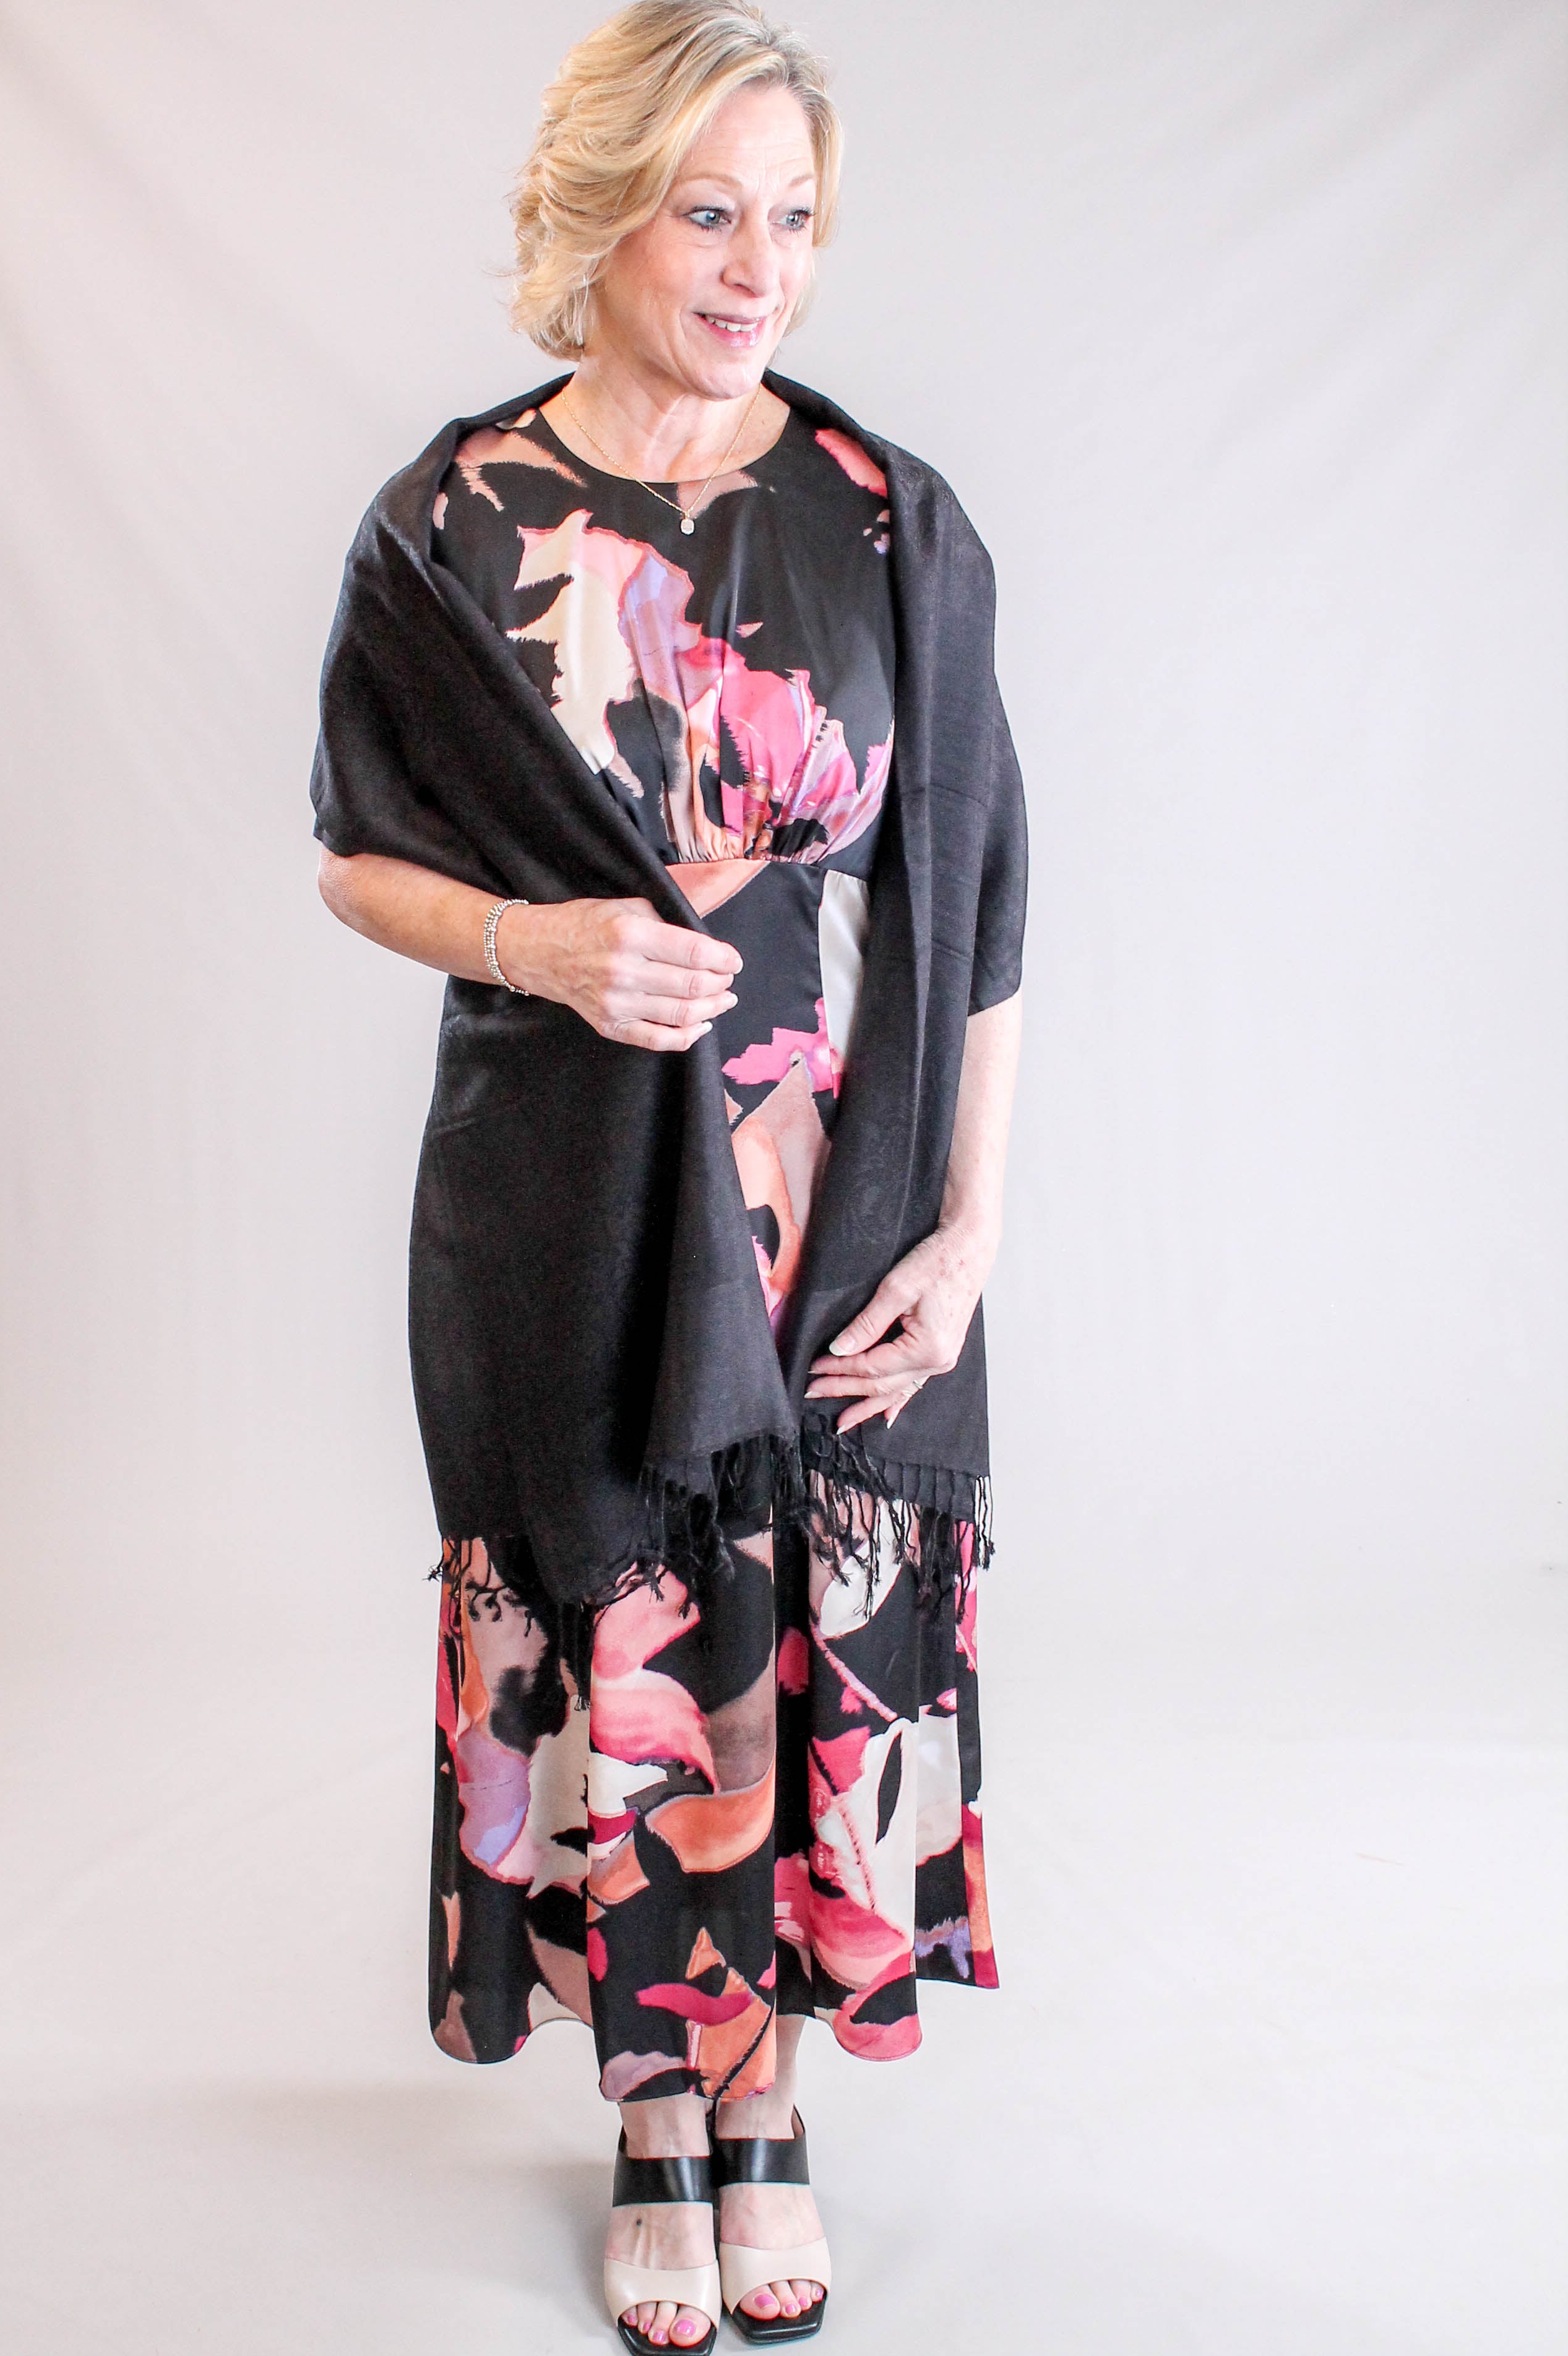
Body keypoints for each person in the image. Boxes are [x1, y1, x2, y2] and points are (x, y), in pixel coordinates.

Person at [310, 4, 1027, 2347]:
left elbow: (981, 898)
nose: (758, 269)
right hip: (567, 1206)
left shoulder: (888, 516)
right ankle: (653, 2119)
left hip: (833, 1194)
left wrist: (972, 1227)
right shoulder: (449, 522)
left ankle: (769, 2102)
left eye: (793, 219)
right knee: (627, 1614)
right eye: (710, 213)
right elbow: (354, 853)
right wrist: (540, 943)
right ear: (602, 212)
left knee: (798, 1623)